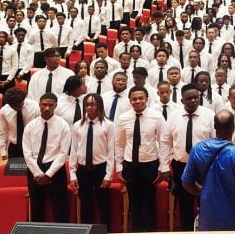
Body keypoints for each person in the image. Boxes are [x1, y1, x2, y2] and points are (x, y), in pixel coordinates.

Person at [115, 86, 171, 232]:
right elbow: (119, 144)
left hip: (150, 165)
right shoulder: (123, 118)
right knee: (134, 202)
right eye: (134, 99)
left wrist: (162, 166)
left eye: (141, 98)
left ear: (147, 99)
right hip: (130, 165)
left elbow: (163, 142)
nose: (137, 101)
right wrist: (119, 168)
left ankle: (151, 231)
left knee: (150, 201)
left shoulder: (157, 116)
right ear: (130, 101)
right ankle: (137, 231)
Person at [161, 84, 214, 230]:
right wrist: (164, 166)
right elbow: (165, 142)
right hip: (181, 167)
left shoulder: (209, 115)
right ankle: (187, 231)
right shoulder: (173, 117)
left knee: (206, 202)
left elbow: (216, 142)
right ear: (182, 100)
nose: (193, 101)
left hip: (205, 167)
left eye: (195, 98)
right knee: (184, 205)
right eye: (189, 98)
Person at [22, 92, 71, 222]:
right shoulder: (30, 126)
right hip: (34, 170)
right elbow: (27, 153)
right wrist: (38, 173)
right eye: (44, 105)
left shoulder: (63, 125)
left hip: (55, 170)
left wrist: (48, 174)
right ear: (39, 105)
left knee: (60, 207)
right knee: (37, 207)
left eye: (50, 105)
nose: (47, 108)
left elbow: (63, 153)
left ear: (56, 106)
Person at [69, 93, 115, 225]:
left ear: (99, 105)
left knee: (103, 203)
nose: (89, 107)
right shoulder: (78, 125)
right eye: (87, 105)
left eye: (93, 104)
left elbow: (111, 151)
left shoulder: (108, 125)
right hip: (83, 170)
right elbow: (74, 150)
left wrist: (108, 175)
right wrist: (72, 173)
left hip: (101, 168)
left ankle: (107, 230)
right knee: (85, 203)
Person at [0, 87, 40, 159]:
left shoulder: (35, 107)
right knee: (15, 169)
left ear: (24, 99)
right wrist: (3, 152)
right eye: (13, 106)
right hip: (15, 148)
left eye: (19, 105)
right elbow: (2, 132)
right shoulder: (4, 111)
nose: (16, 108)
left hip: (33, 146)